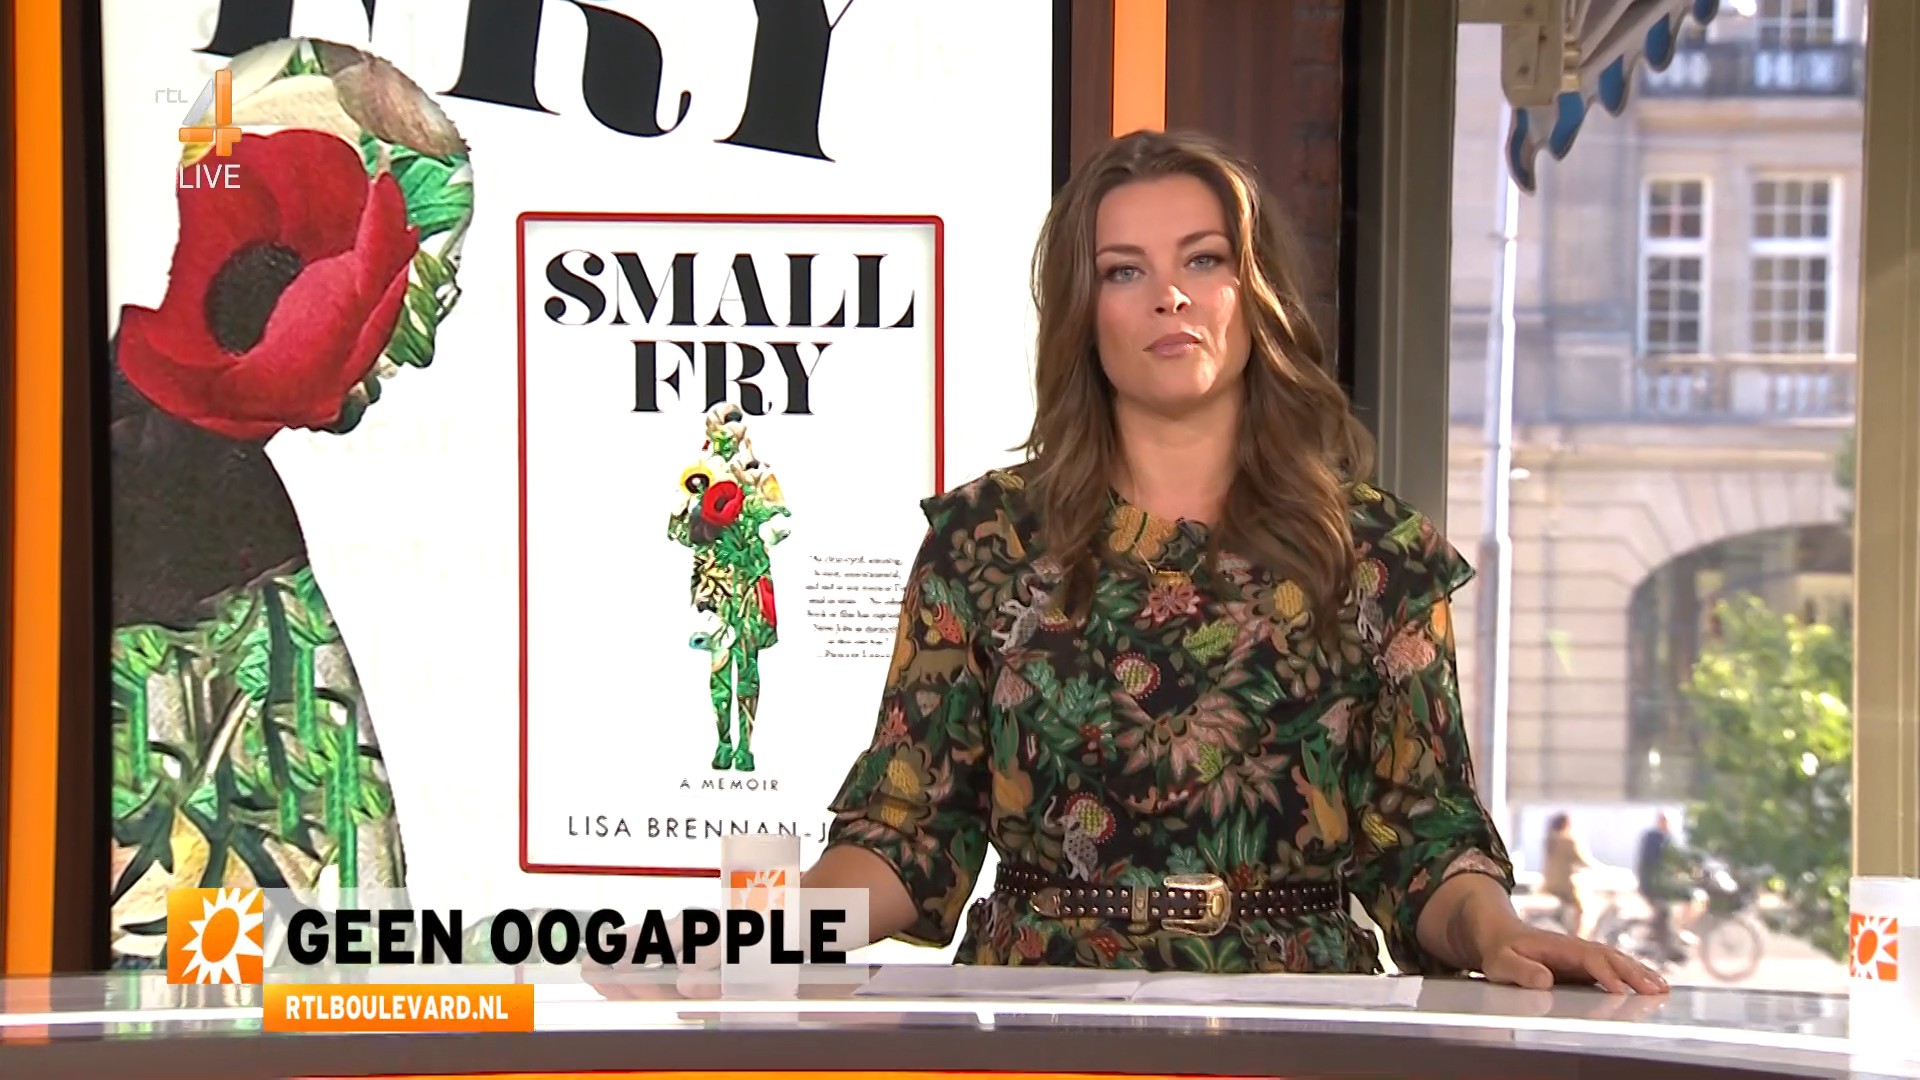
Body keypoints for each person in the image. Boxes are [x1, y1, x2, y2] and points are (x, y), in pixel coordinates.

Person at [596, 129, 1666, 996]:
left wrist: (1499, 933)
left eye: (1204, 259)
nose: (1171, 296)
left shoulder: (1374, 555)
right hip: (1036, 1023)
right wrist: (760, 934)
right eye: (1125, 270)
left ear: (1255, 290)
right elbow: (909, 830)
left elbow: (1425, 838)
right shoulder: (984, 541)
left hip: (1296, 1026)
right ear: (1085, 311)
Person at [1541, 813, 1595, 936]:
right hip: (1566, 886)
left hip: (1550, 885)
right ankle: (1578, 938)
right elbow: (1584, 861)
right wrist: (1605, 870)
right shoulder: (1569, 841)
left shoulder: (1550, 840)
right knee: (1583, 911)